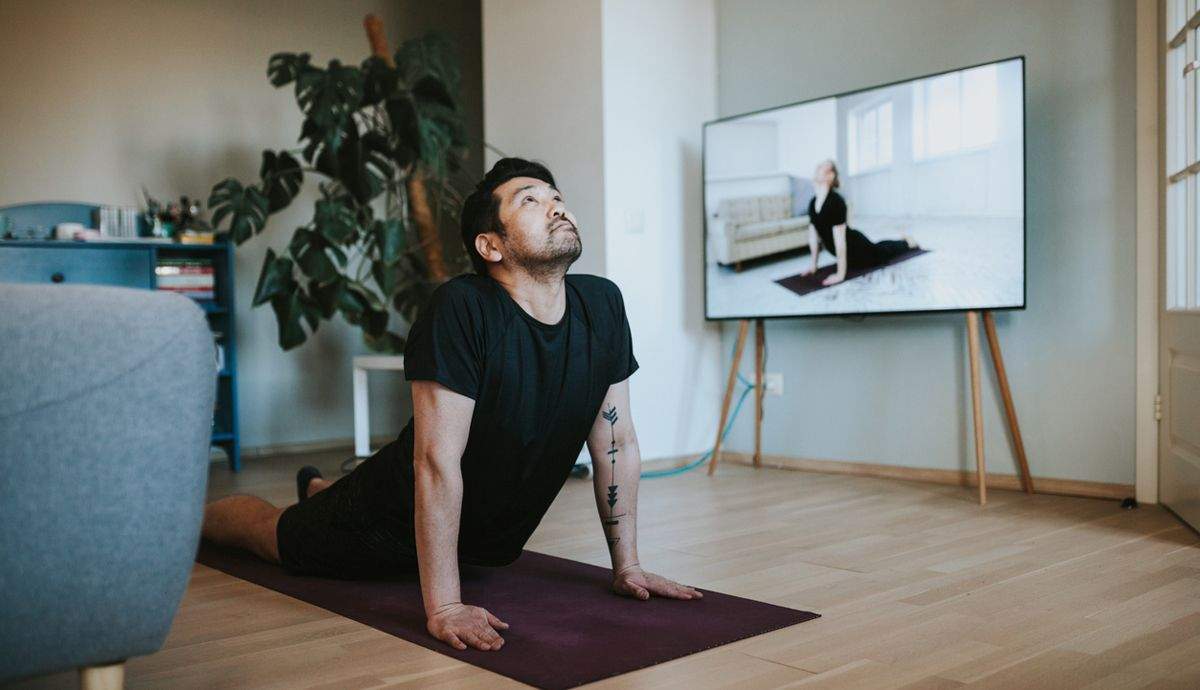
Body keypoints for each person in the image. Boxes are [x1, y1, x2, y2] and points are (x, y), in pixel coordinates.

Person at [200, 157, 702, 654]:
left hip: (477, 539)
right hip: (390, 519)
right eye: (530, 200)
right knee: (270, 535)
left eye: (557, 198)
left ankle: (321, 488)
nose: (556, 208)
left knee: (339, 497)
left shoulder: (602, 304)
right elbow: (435, 462)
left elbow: (616, 442)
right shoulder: (462, 308)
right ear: (491, 246)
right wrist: (444, 607)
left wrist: (628, 568)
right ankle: (188, 520)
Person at [801, 159, 918, 286]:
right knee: (878, 247)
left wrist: (840, 274)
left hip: (857, 248)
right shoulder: (812, 203)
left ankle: (907, 242)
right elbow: (813, 238)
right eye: (819, 166)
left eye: (822, 167)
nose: (818, 167)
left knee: (881, 252)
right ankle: (903, 240)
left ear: (831, 175)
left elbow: (840, 241)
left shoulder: (836, 202)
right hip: (848, 253)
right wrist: (813, 266)